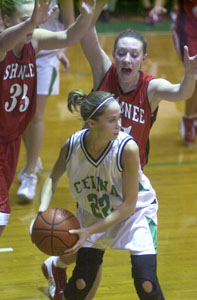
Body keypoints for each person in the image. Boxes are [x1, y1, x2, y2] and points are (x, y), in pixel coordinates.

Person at [32, 89, 165, 300]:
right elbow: (52, 178)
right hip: (92, 214)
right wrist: (41, 213)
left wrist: (89, 231)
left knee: (146, 282)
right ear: (92, 123)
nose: (119, 125)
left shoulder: (127, 148)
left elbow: (129, 205)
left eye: (119, 118)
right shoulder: (72, 146)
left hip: (134, 215)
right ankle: (56, 270)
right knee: (80, 284)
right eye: (112, 120)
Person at [0, 0, 96, 237]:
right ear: (6, 21)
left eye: (32, 21)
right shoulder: (3, 45)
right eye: (23, 20)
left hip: (10, 139)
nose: (30, 27)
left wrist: (86, 17)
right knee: (1, 211)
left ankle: (30, 170)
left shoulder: (33, 39)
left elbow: (69, 37)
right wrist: (33, 21)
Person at [80, 0, 197, 170]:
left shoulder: (151, 88)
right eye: (121, 53)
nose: (127, 59)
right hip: (95, 166)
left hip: (130, 170)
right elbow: (87, 35)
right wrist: (91, 12)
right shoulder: (104, 72)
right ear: (113, 55)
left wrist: (190, 74)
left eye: (134, 55)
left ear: (143, 59)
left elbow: (182, 93)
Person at [17, 0, 75, 201]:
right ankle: (34, 158)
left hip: (47, 55)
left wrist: (62, 51)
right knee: (20, 112)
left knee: (36, 114)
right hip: (20, 50)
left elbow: (70, 23)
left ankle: (30, 173)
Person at [151, 0, 197, 143]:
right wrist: (158, 6)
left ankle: (194, 114)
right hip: (189, 30)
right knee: (195, 73)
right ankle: (188, 118)